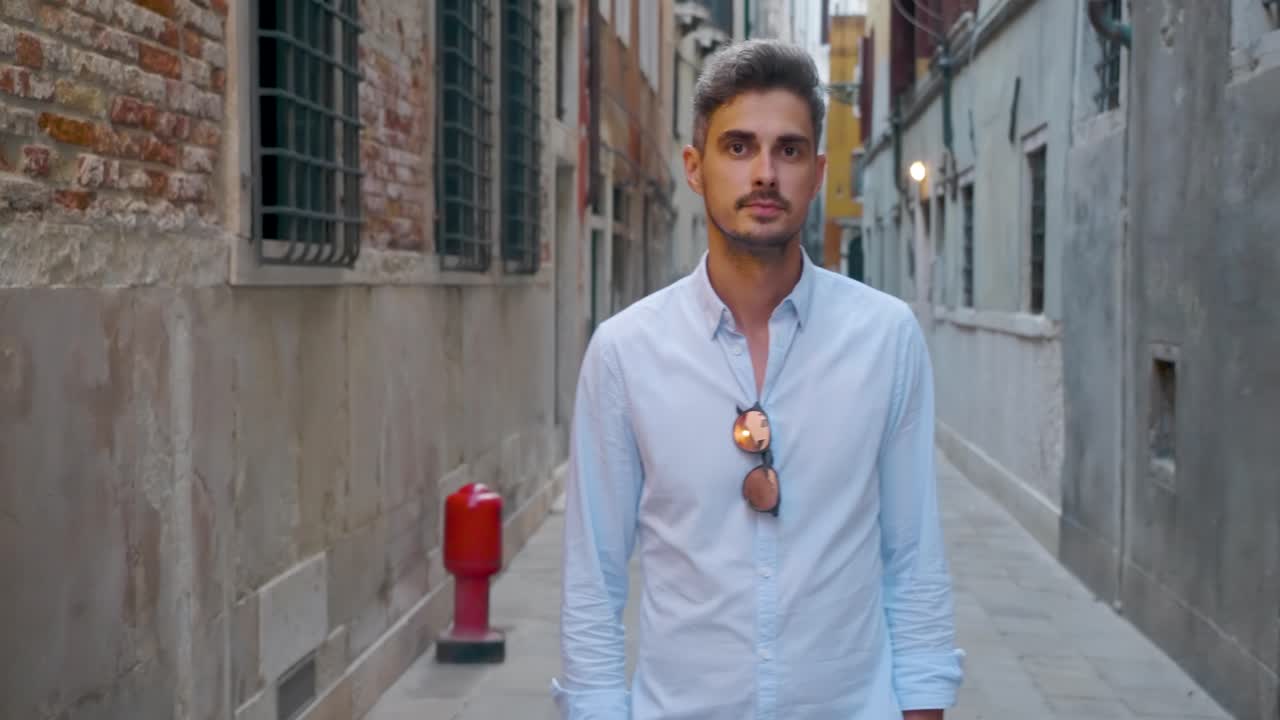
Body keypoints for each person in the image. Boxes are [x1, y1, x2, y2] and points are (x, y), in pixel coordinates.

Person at [552, 39, 965, 719]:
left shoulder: (886, 340)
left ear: (818, 169)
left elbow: (914, 555)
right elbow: (593, 580)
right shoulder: (625, 353)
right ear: (695, 166)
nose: (765, 173)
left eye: (790, 150)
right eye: (738, 147)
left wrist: (923, 707)